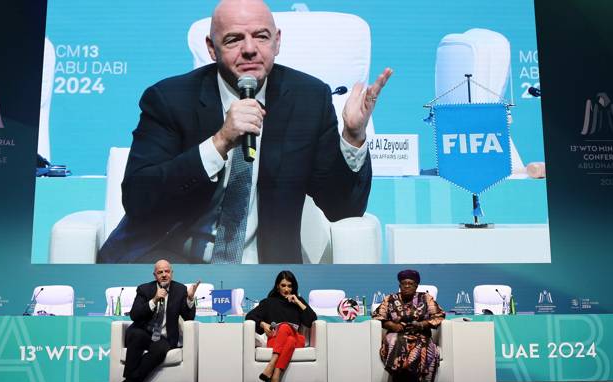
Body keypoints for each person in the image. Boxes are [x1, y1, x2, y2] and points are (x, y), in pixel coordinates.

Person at [97, 0, 392, 264]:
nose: (250, 48)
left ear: (277, 42)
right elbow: (139, 198)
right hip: (171, 260)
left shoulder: (308, 99)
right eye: (234, 39)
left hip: (265, 270)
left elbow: (342, 207)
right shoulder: (170, 99)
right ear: (212, 48)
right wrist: (219, 142)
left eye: (261, 36)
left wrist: (353, 137)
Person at [108, 259, 199, 382]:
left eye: (167, 271)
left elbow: (189, 317)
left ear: (172, 273)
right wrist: (154, 300)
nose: (164, 274)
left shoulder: (180, 290)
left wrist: (190, 299)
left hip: (163, 337)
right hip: (143, 331)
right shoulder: (144, 289)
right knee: (137, 335)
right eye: (160, 272)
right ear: (154, 275)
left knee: (160, 350)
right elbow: (134, 315)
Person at [372, 269, 445, 382]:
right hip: (396, 333)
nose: (406, 286)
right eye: (403, 283)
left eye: (410, 283)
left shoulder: (426, 298)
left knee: (421, 346)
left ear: (416, 286)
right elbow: (377, 316)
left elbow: (439, 315)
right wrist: (392, 325)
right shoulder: (390, 299)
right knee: (396, 342)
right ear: (399, 285)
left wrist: (422, 324)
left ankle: (407, 380)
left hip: (420, 333)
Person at [246, 270, 317, 382]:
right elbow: (249, 316)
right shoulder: (268, 302)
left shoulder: (297, 302)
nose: (286, 289)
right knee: (288, 338)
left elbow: (312, 319)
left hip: (298, 340)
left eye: (289, 286)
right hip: (278, 341)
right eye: (283, 285)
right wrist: (263, 324)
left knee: (285, 327)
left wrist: (298, 302)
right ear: (277, 285)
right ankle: (275, 378)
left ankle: (271, 365)